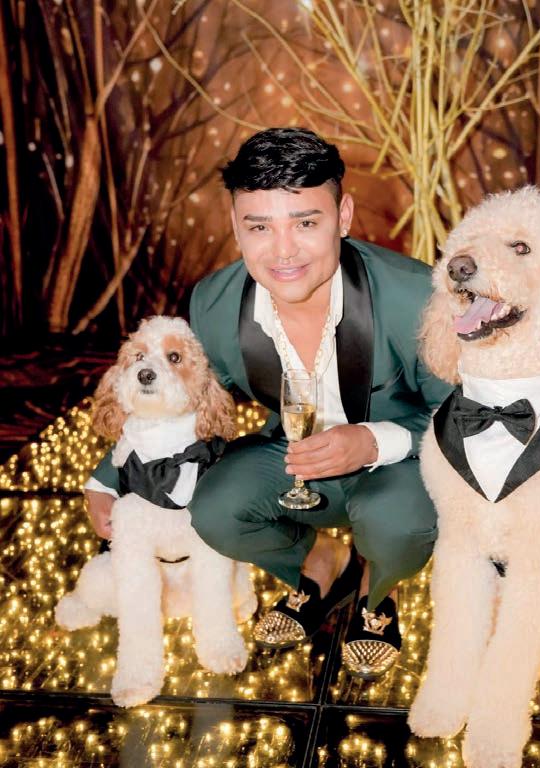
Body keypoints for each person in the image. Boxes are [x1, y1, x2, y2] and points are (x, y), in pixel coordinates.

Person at [84, 127, 452, 680]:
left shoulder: (414, 294)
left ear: (343, 217)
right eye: (259, 226)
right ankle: (320, 563)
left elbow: (464, 412)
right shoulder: (213, 304)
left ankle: (377, 593)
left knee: (398, 522)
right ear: (236, 227)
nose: (283, 251)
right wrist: (108, 478)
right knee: (213, 509)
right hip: (291, 455)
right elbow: (181, 395)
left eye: (305, 223)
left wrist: (374, 441)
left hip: (399, 463)